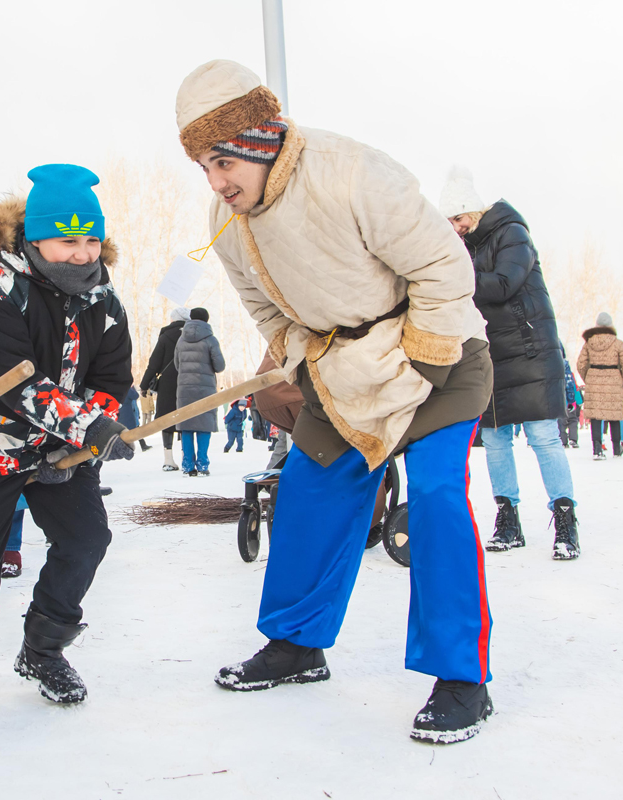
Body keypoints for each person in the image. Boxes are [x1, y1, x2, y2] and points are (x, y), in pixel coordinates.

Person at [176, 60, 494, 743]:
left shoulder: (352, 173)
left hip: (437, 350)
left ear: (259, 141)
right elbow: (268, 311)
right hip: (346, 368)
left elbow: (446, 267)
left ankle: (461, 678)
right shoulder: (228, 219)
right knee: (311, 490)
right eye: (204, 165)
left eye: (223, 160)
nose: (217, 181)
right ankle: (296, 644)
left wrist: (421, 361)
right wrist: (306, 361)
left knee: (437, 495)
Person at [0, 164, 133, 706]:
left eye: (91, 240)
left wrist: (86, 434)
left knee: (86, 539)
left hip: (62, 453)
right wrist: (84, 424)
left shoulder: (104, 300)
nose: (83, 253)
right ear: (36, 237)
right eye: (68, 240)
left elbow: (112, 377)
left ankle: (44, 649)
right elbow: (10, 382)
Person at [443, 169, 578, 559]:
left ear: (473, 210)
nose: (455, 228)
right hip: (489, 353)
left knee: (543, 437)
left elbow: (504, 283)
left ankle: (565, 518)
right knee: (497, 440)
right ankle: (508, 519)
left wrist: (454, 276)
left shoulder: (512, 233)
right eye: (450, 222)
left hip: (530, 349)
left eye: (458, 219)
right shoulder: (465, 247)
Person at [174, 307, 225, 475]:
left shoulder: (181, 340)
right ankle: (203, 464)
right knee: (204, 425)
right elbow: (220, 366)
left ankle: (188, 466)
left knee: (187, 426)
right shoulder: (211, 340)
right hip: (205, 389)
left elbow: (177, 365)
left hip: (185, 388)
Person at [140, 307, 190, 471]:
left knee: (167, 418)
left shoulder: (166, 335)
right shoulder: (193, 334)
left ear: (173, 320)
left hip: (168, 384)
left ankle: (168, 460)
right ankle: (187, 458)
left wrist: (144, 384)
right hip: (189, 382)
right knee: (187, 417)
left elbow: (154, 363)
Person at [577, 312, 623, 460]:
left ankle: (597, 449)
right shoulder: (618, 343)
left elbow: (580, 364)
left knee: (596, 416)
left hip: (594, 378)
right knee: (614, 414)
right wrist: (622, 381)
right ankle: (617, 449)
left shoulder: (589, 343)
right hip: (614, 378)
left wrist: (588, 377)